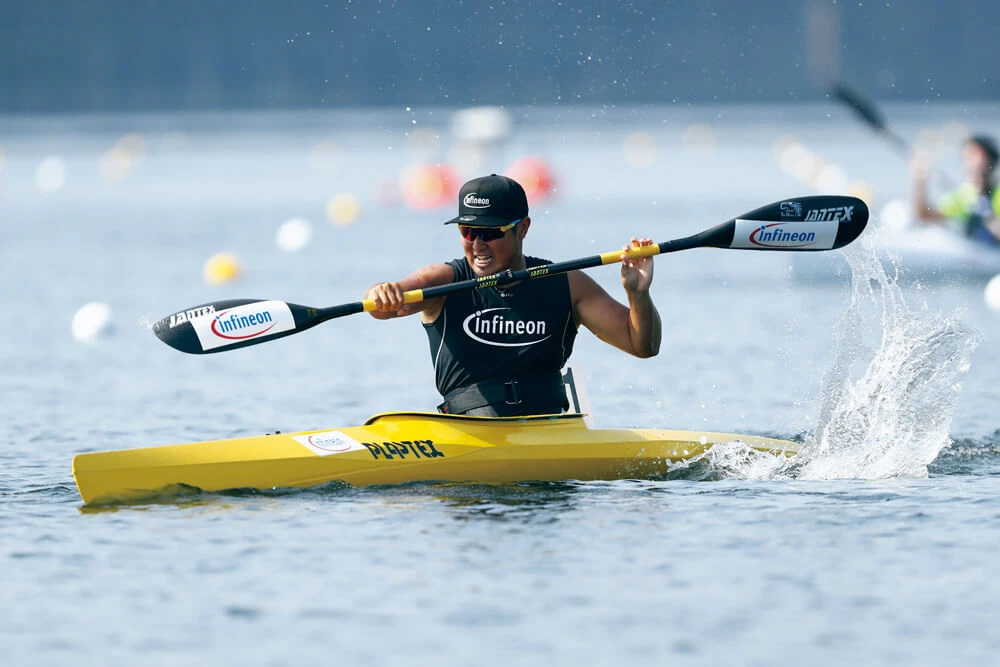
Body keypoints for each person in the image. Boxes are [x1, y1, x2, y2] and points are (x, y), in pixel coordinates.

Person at [364, 173, 661, 417]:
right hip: (468, 431)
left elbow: (642, 345)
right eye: (468, 231)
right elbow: (385, 307)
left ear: (523, 228)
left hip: (546, 429)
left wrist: (637, 294)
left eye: (491, 233)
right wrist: (383, 293)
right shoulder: (444, 280)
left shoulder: (567, 283)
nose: (478, 245)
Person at [912, 134, 1000, 245]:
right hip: (976, 255)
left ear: (990, 162)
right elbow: (924, 216)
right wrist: (920, 181)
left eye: (974, 156)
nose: (969, 164)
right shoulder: (964, 196)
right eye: (966, 158)